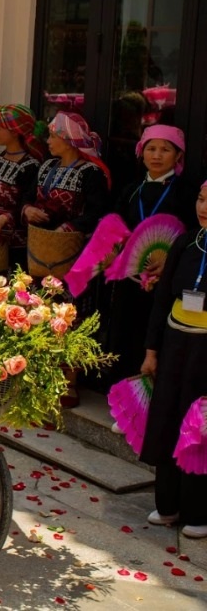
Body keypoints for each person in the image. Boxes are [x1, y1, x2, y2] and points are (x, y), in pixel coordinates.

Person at [139, 181, 207, 539]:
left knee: (200, 428)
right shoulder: (186, 242)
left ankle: (198, 510)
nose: (203, 206)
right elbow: (163, 297)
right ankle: (168, 505)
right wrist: (152, 350)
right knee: (168, 417)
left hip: (205, 351)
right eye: (200, 198)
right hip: (175, 342)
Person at [105, 124, 198, 382]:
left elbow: (193, 232)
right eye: (151, 148)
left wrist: (170, 258)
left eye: (165, 149)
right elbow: (117, 226)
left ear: (178, 155)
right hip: (131, 276)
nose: (157, 155)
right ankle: (125, 393)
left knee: (155, 336)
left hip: (167, 278)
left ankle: (153, 399)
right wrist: (115, 252)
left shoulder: (188, 193)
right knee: (126, 332)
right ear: (141, 152)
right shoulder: (131, 189)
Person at [0, 104, 45, 272]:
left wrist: (4, 218)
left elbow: (27, 204)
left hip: (14, 243)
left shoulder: (31, 166)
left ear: (15, 131)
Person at [22, 112, 111, 235]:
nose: (48, 141)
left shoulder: (91, 173)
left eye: (53, 136)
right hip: (37, 241)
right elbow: (28, 195)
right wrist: (28, 209)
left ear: (69, 142)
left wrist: (67, 228)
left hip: (69, 246)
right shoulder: (47, 165)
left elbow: (95, 213)